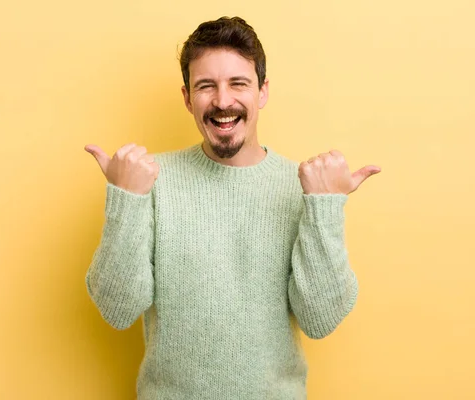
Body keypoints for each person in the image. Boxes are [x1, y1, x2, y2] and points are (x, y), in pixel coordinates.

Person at [83, 16, 380, 400]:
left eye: (238, 83)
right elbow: (117, 309)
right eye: (206, 86)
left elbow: (320, 319)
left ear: (262, 92)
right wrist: (126, 199)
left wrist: (324, 205)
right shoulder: (150, 181)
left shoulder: (304, 187)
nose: (223, 101)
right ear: (188, 98)